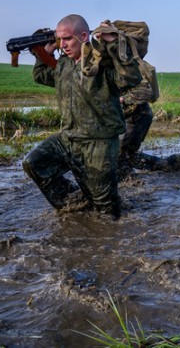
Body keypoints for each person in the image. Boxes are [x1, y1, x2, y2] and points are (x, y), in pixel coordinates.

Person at [22, 14, 143, 218]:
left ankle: (111, 236)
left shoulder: (101, 63)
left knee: (106, 210)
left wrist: (113, 44)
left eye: (68, 38)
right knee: (34, 163)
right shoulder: (64, 64)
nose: (64, 44)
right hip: (68, 139)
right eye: (60, 39)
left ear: (84, 36)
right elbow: (41, 76)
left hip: (99, 143)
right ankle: (73, 203)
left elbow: (131, 78)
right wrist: (43, 54)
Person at [117, 75, 180, 180]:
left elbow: (146, 90)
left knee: (122, 156)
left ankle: (131, 184)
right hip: (122, 117)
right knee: (123, 155)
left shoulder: (121, 65)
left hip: (136, 116)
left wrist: (122, 100)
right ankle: (168, 164)